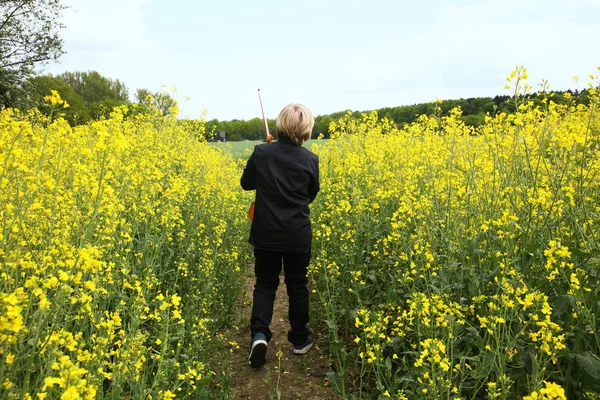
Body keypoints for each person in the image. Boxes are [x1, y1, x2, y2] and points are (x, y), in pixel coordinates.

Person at [240, 103, 320, 368]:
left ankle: (260, 335)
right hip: (297, 234)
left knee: (265, 284)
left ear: (280, 125)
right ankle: (299, 340)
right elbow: (310, 194)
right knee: (297, 285)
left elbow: (246, 184)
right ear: (306, 129)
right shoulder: (310, 160)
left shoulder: (262, 153)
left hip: (266, 234)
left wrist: (266, 153)